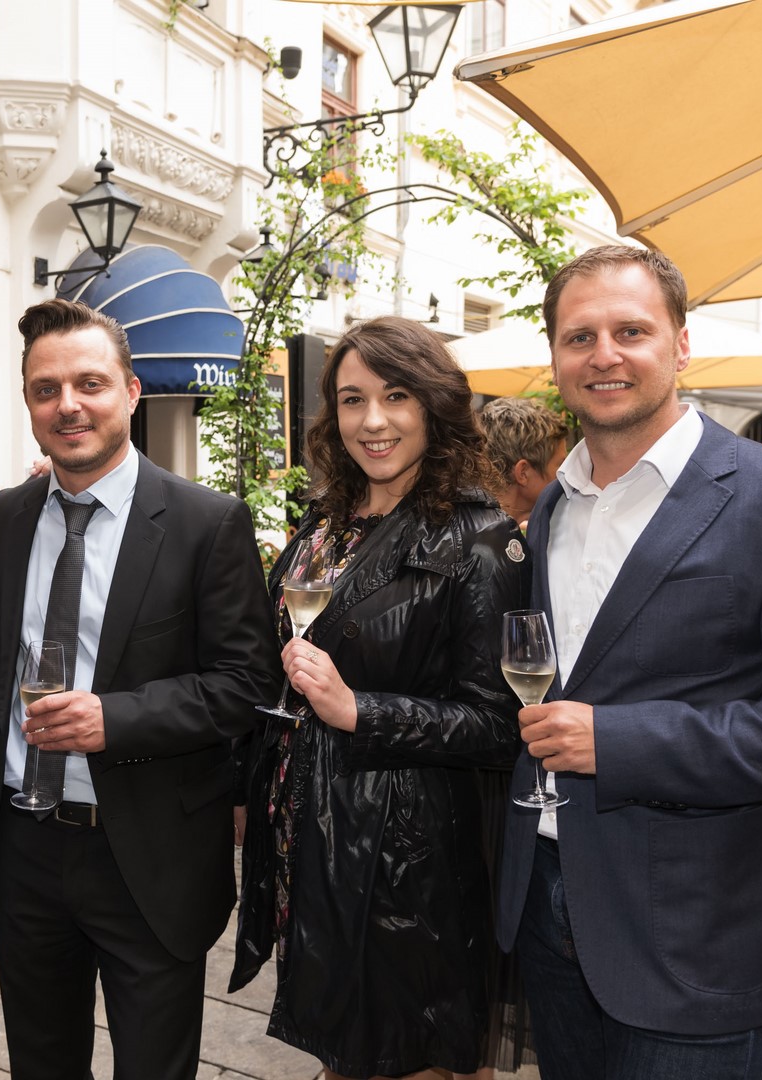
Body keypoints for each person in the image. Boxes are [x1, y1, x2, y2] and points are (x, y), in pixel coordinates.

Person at [497, 245, 762, 1080]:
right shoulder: (554, 508)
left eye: (631, 331)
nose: (604, 355)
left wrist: (624, 742)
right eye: (580, 337)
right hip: (546, 898)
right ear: (555, 357)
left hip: (693, 927)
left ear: (681, 345)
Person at [0, 298, 280, 1080]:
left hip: (148, 852)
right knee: (42, 1065)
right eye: (46, 389)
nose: (68, 405)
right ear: (28, 402)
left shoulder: (207, 522)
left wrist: (115, 718)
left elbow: (247, 684)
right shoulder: (8, 517)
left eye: (90, 383)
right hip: (26, 846)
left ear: (132, 392)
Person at [231, 316, 527, 1079]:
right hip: (316, 835)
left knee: (404, 1057)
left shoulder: (480, 539)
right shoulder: (327, 521)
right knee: (346, 1052)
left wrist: (361, 710)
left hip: (407, 866)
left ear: (435, 404)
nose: (373, 420)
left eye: (396, 396)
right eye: (352, 398)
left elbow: (502, 726)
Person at [482, 396, 569, 530]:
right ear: (523, 473)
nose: (567, 476)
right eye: (560, 465)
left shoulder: (475, 525)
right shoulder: (490, 537)